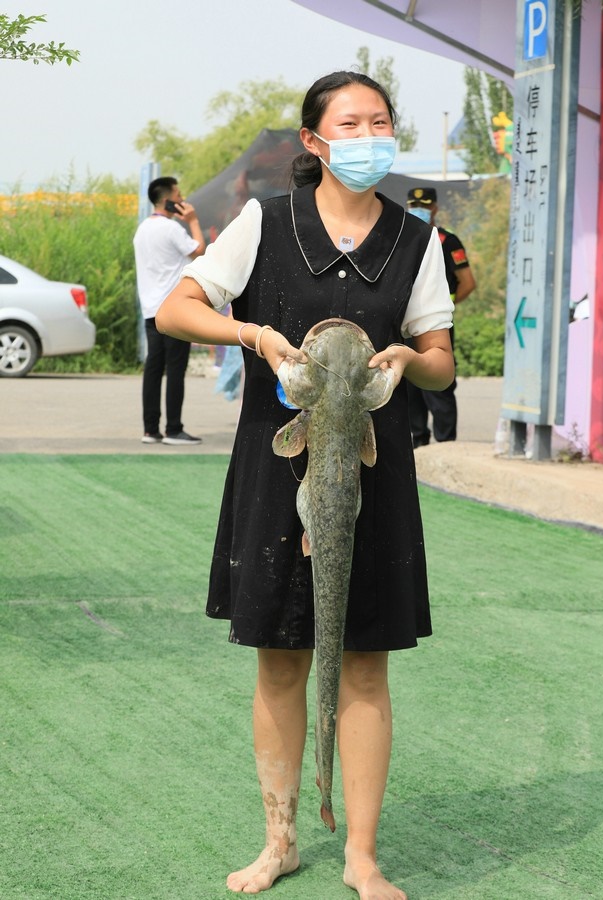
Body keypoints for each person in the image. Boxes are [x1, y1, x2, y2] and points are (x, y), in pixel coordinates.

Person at [156, 71, 454, 899]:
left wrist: (409, 358)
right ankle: (279, 838)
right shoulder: (267, 221)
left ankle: (362, 854)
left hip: (372, 472)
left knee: (364, 665)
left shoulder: (416, 240)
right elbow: (176, 310)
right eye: (350, 124)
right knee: (281, 661)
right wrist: (251, 334)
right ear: (314, 142)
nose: (369, 137)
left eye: (380, 122)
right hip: (275, 464)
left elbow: (440, 361)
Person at [133, 176, 206, 445]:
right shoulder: (171, 228)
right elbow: (199, 251)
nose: (182, 199)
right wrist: (193, 221)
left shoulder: (142, 229)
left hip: (151, 310)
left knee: (153, 368)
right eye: (178, 195)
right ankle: (174, 429)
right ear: (167, 201)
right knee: (175, 369)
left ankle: (150, 430)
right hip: (174, 311)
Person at [406, 186, 476, 445]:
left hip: (436, 323)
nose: (419, 210)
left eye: (424, 205)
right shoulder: (402, 238)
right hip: (405, 324)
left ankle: (446, 444)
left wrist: (442, 308)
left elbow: (467, 282)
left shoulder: (447, 241)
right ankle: (417, 441)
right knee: (409, 383)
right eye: (414, 205)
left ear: (434, 208)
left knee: (439, 385)